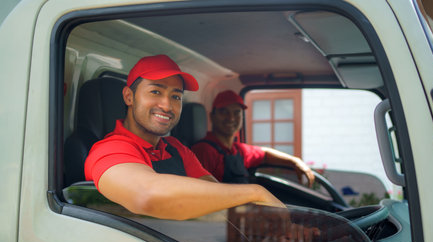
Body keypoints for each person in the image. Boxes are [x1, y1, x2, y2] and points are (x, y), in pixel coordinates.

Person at [84, 55, 285, 220]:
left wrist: (272, 227)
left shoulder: (175, 147)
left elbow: (215, 197)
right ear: (129, 96)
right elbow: (146, 195)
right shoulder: (109, 150)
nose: (167, 105)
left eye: (176, 96)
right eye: (155, 91)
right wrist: (255, 193)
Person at [191, 90, 315, 186]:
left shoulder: (239, 150)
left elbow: (265, 154)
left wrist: (295, 161)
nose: (231, 118)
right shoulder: (203, 151)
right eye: (224, 112)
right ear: (212, 117)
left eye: (237, 112)